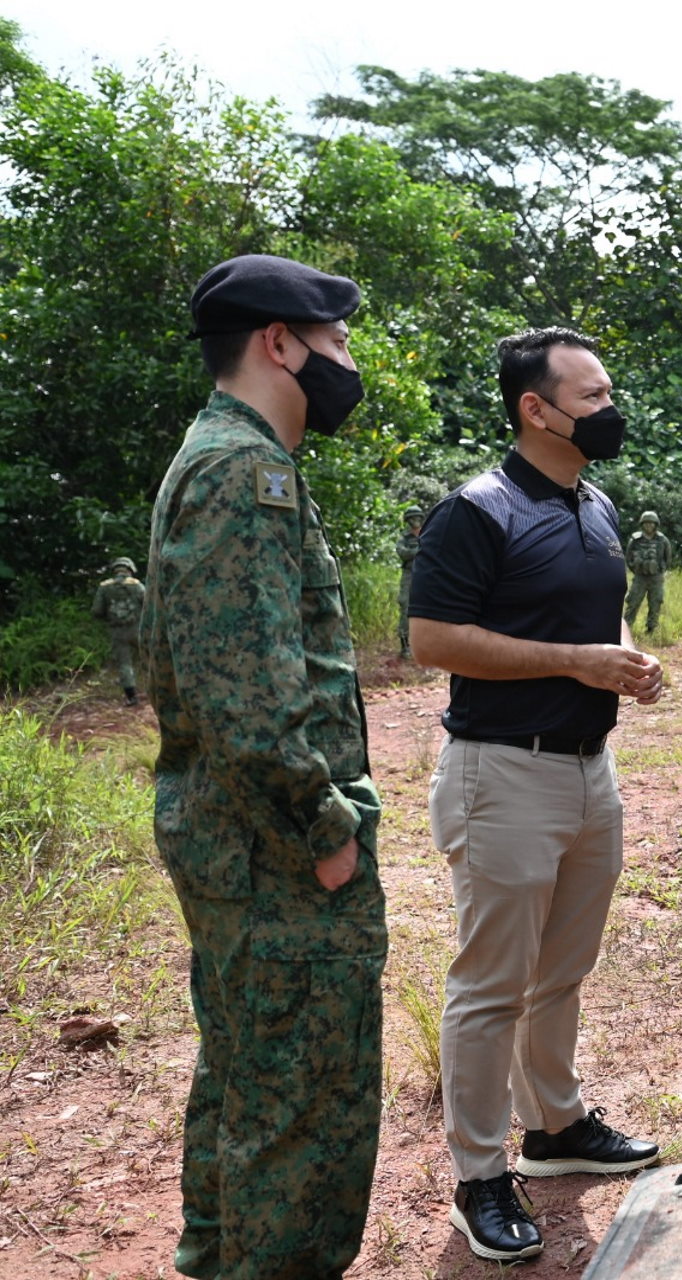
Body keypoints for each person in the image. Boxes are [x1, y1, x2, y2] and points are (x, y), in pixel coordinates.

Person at [142, 254, 386, 1278]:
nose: (348, 362)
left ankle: (215, 1259)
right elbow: (246, 693)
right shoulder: (243, 472)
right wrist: (324, 831)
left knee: (248, 1076)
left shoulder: (225, 458)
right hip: (277, 857)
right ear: (279, 343)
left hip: (241, 847)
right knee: (302, 1112)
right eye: (337, 341)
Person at [407, 327, 664, 1264]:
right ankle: (479, 1175)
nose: (609, 410)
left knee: (562, 968)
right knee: (491, 985)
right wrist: (572, 662)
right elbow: (433, 639)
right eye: (592, 397)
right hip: (503, 772)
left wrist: (624, 656)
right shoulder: (476, 511)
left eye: (607, 393)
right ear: (536, 409)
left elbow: (595, 613)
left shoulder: (594, 503)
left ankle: (554, 1127)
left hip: (590, 771)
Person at [91, 556, 146, 704]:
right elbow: (149, 603)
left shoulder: (104, 586)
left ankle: (131, 697)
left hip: (117, 631)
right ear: (130, 569)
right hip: (137, 629)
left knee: (124, 664)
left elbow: (96, 610)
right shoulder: (137, 585)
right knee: (150, 658)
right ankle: (159, 689)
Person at [623, 511, 671, 635]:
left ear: (656, 524)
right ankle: (626, 630)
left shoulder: (662, 540)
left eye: (651, 523)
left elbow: (667, 559)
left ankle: (651, 629)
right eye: (646, 523)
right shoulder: (635, 539)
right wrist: (637, 570)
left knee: (655, 602)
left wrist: (660, 571)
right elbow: (628, 558)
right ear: (642, 524)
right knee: (633, 602)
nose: (649, 525)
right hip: (640, 578)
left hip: (656, 578)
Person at [396, 506, 425, 660]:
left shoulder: (428, 533)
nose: (415, 521)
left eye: (417, 517)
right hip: (409, 575)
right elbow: (402, 553)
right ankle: (405, 645)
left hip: (427, 574)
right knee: (405, 606)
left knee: (430, 608)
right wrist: (420, 551)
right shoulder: (404, 537)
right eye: (412, 518)